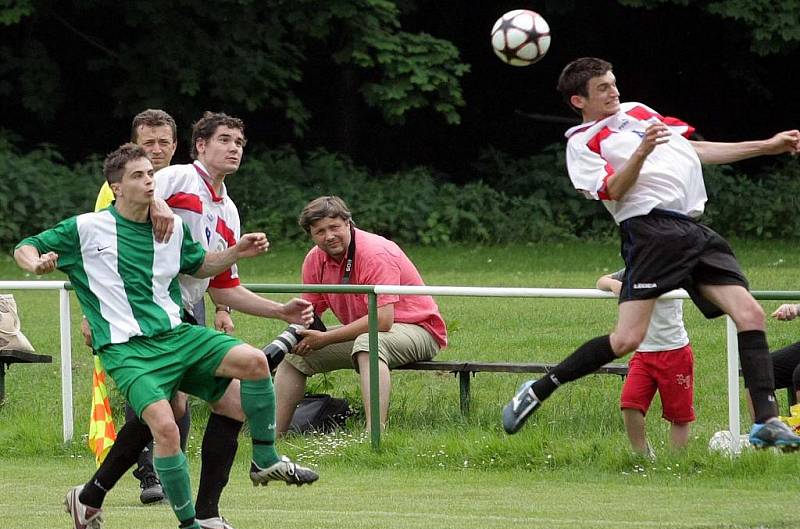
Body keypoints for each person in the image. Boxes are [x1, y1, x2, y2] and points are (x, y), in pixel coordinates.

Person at [502, 56, 800, 450]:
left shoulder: (638, 112)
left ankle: (765, 421)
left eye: (613, 83)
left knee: (749, 313)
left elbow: (695, 150)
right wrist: (641, 152)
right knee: (627, 339)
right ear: (578, 101)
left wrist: (767, 146)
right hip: (651, 230)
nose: (614, 92)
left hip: (693, 229)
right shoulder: (581, 142)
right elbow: (615, 190)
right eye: (603, 88)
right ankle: (539, 389)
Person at [13, 143, 296, 529]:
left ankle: (263, 461)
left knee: (253, 362)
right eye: (139, 176)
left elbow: (199, 266)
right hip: (127, 350)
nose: (149, 180)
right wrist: (34, 263)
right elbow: (26, 245)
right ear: (116, 187)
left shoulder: (171, 227)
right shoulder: (87, 228)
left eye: (150, 173)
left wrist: (236, 252)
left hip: (177, 336)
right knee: (165, 425)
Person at [154, 111, 318, 529]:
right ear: (200, 146)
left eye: (240, 142)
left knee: (228, 406)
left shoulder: (227, 209)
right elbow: (127, 203)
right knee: (166, 415)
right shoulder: (176, 179)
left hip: (183, 319)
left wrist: (281, 310)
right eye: (224, 139)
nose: (234, 147)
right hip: (149, 317)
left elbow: (222, 284)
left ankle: (205, 516)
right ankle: (96, 496)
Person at [274, 195, 448, 432]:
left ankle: (373, 436)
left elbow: (383, 321)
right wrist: (298, 335)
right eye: (320, 231)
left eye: (334, 227)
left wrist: (324, 339)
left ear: (348, 223)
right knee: (292, 356)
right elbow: (309, 313)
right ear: (311, 235)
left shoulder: (375, 253)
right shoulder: (314, 259)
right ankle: (273, 438)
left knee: (368, 344)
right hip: (368, 331)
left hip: (419, 330)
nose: (329, 236)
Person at [89, 108, 186, 505]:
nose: (158, 150)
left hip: (177, 302)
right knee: (148, 388)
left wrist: (223, 306)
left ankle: (167, 464)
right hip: (129, 309)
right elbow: (94, 254)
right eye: (149, 143)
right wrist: (86, 312)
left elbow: (202, 246)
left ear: (176, 146)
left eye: (164, 142)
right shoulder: (119, 189)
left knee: (179, 393)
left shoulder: (183, 183)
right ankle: (149, 471)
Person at [597, 269, 694, 457]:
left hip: (675, 352)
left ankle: (677, 462)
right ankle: (643, 457)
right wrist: (613, 285)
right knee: (630, 403)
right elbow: (601, 281)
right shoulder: (635, 268)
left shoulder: (678, 268)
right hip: (643, 352)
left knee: (679, 416)